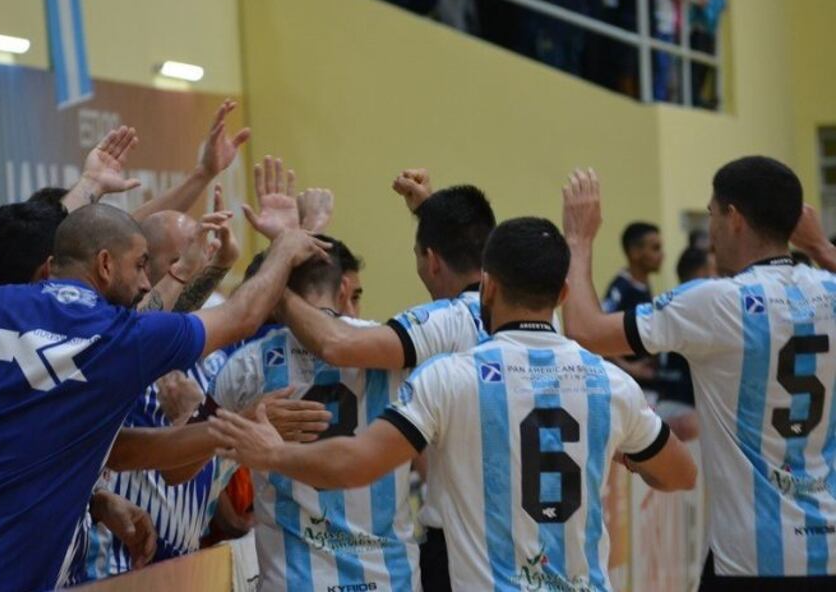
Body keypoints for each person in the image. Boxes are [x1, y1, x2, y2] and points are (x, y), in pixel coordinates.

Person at [0, 203, 327, 591]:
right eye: (141, 265)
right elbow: (243, 315)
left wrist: (100, 499)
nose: (146, 282)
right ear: (105, 264)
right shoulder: (122, 338)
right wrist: (283, 250)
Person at [210, 217, 697, 590]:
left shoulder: (449, 377)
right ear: (564, 293)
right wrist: (631, 455)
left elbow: (356, 463)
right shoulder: (610, 384)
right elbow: (680, 475)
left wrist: (272, 454)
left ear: (488, 285)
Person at [561, 158, 836, 588]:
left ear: (735, 218)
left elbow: (584, 330)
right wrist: (822, 249)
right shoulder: (830, 290)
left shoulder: (716, 302)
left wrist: (578, 240)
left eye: (712, 214)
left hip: (753, 559)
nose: (710, 232)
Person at [277, 172, 495, 591]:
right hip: (530, 542)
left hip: (459, 551)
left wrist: (274, 282)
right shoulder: (540, 316)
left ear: (431, 260)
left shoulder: (442, 321)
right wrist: (435, 217)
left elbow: (336, 343)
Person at [212, 236, 420, 591]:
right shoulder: (395, 351)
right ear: (344, 288)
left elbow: (195, 472)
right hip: (391, 580)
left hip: (293, 581)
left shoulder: (247, 365)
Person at [653, 246, 714, 441]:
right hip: (686, 414)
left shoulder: (668, 302)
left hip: (665, 407)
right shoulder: (700, 308)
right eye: (716, 270)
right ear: (702, 273)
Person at [601, 221, 663, 395]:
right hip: (626, 384)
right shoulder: (620, 288)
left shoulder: (644, 285)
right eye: (655, 248)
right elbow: (599, 335)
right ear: (635, 252)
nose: (662, 255)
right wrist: (629, 367)